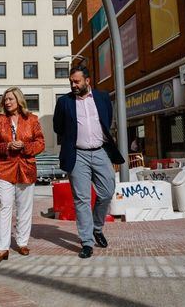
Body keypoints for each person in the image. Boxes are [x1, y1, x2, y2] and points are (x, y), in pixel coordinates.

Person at [53, 66, 124, 259]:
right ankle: (86, 242)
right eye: (71, 82)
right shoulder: (64, 102)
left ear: (87, 81)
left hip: (100, 152)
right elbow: (57, 126)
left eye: (77, 81)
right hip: (77, 155)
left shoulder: (102, 97)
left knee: (108, 191)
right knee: (82, 199)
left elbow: (107, 120)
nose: (73, 85)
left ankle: (97, 227)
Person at [0, 87, 45, 263]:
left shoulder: (32, 119)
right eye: (5, 99)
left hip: (26, 168)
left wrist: (25, 147)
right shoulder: (0, 120)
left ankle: (22, 243)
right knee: (5, 206)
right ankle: (2, 248)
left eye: (10, 99)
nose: (7, 102)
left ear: (19, 100)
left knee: (24, 209)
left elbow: (40, 143)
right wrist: (7, 147)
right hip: (5, 168)